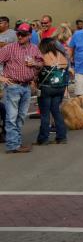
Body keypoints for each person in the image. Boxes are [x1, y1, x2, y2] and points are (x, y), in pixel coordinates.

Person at [1, 23, 43, 153]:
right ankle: (13, 145)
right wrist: (1, 78)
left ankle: (16, 142)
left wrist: (35, 63)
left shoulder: (34, 48)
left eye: (23, 34)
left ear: (30, 35)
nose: (19, 36)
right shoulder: (10, 48)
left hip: (26, 87)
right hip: (13, 85)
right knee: (12, 117)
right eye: (18, 34)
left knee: (21, 117)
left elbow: (41, 63)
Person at [35, 38, 70, 146]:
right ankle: (61, 137)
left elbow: (38, 70)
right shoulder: (62, 55)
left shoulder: (44, 56)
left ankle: (43, 138)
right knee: (56, 111)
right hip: (60, 87)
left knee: (45, 113)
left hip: (46, 87)